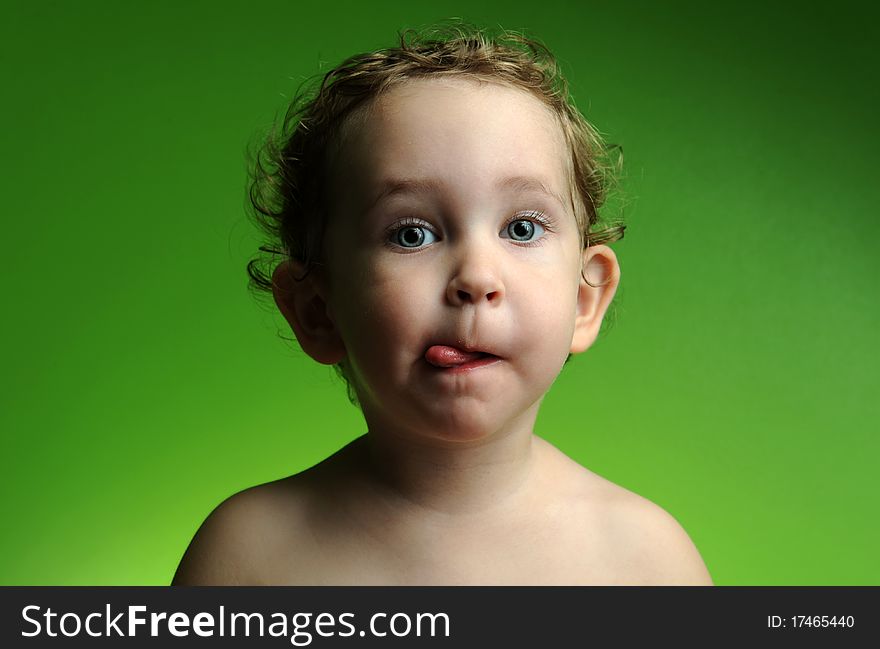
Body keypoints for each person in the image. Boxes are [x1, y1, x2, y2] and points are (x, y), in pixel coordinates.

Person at [172, 22, 712, 585]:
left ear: (584, 297)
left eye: (522, 228)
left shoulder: (644, 561)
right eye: (411, 234)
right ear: (317, 310)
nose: (476, 278)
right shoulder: (248, 557)